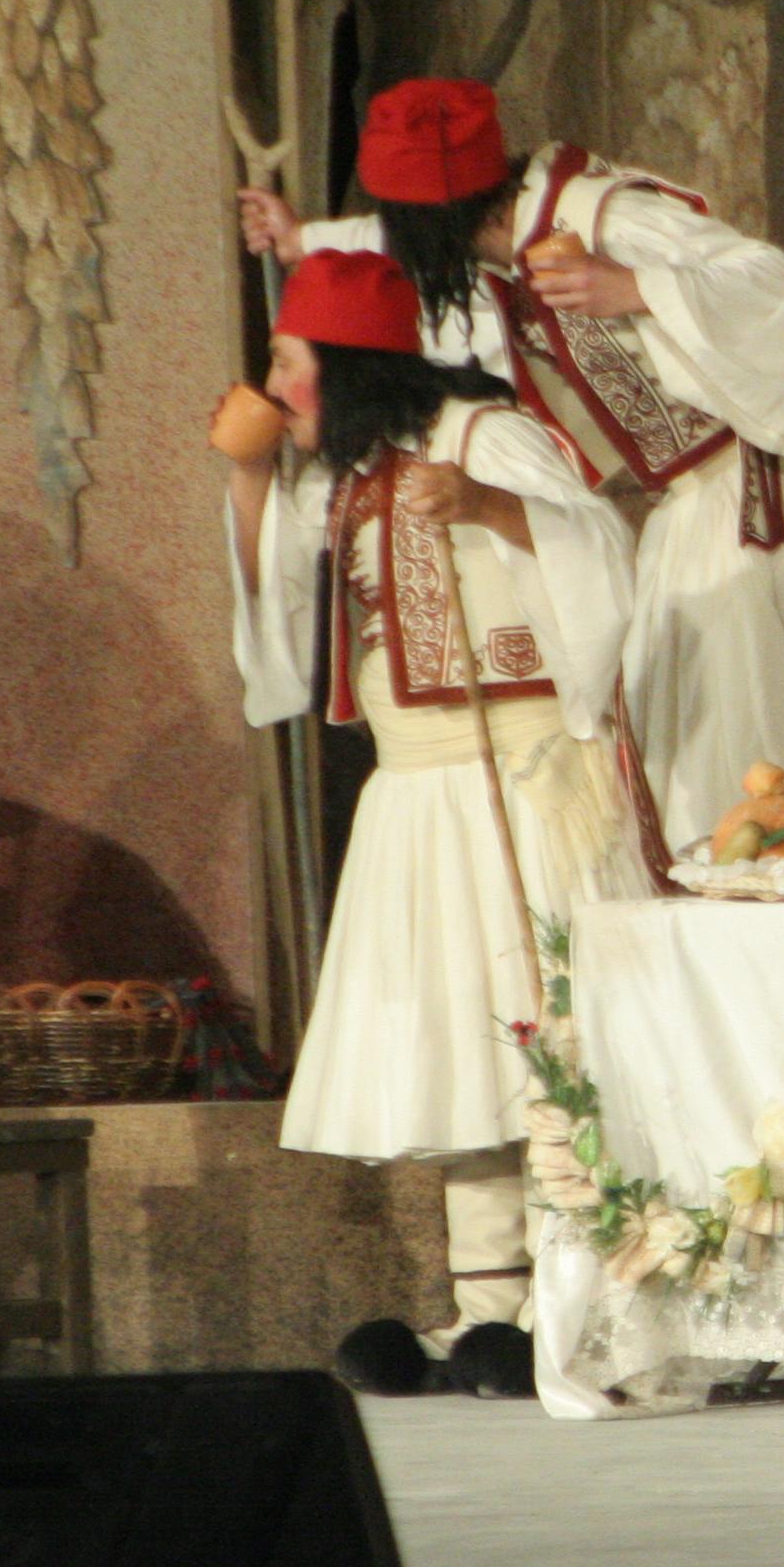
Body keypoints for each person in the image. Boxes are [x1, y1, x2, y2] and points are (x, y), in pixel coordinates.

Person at [241, 79, 784, 856]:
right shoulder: (499, 257)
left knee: (768, 739)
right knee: (711, 756)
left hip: (766, 474)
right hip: (695, 490)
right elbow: (386, 247)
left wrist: (637, 287)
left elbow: (766, 281)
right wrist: (304, 240)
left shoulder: (594, 214)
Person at [220, 250, 654, 1400]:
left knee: (544, 1038)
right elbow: (276, 635)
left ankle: (580, 1292)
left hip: (517, 775)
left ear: (349, 365)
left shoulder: (483, 436)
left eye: (290, 362)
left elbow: (603, 550)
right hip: (415, 788)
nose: (275, 385)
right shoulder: (341, 477)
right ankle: (486, 1306)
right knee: (458, 1049)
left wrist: (487, 507)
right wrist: (252, 479)